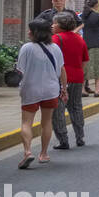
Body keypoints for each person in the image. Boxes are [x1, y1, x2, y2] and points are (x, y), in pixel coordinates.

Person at [17, 17, 66, 169]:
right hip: (51, 90)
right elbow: (62, 70)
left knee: (27, 123)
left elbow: (20, 71)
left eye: (30, 29)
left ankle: (27, 152)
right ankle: (44, 154)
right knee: (46, 122)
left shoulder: (26, 48)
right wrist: (64, 88)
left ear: (35, 32)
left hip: (30, 88)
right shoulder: (56, 48)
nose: (28, 32)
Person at [50, 11, 88, 149]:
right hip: (78, 77)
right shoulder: (80, 39)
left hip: (61, 78)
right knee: (76, 107)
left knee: (58, 109)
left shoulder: (56, 39)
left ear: (61, 25)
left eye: (54, 23)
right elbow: (85, 60)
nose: (52, 25)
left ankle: (63, 139)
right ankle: (80, 137)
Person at [80, 0, 99, 95]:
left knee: (84, 67)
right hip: (97, 43)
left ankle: (82, 90)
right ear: (96, 5)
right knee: (98, 67)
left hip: (84, 43)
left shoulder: (82, 16)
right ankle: (97, 90)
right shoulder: (97, 16)